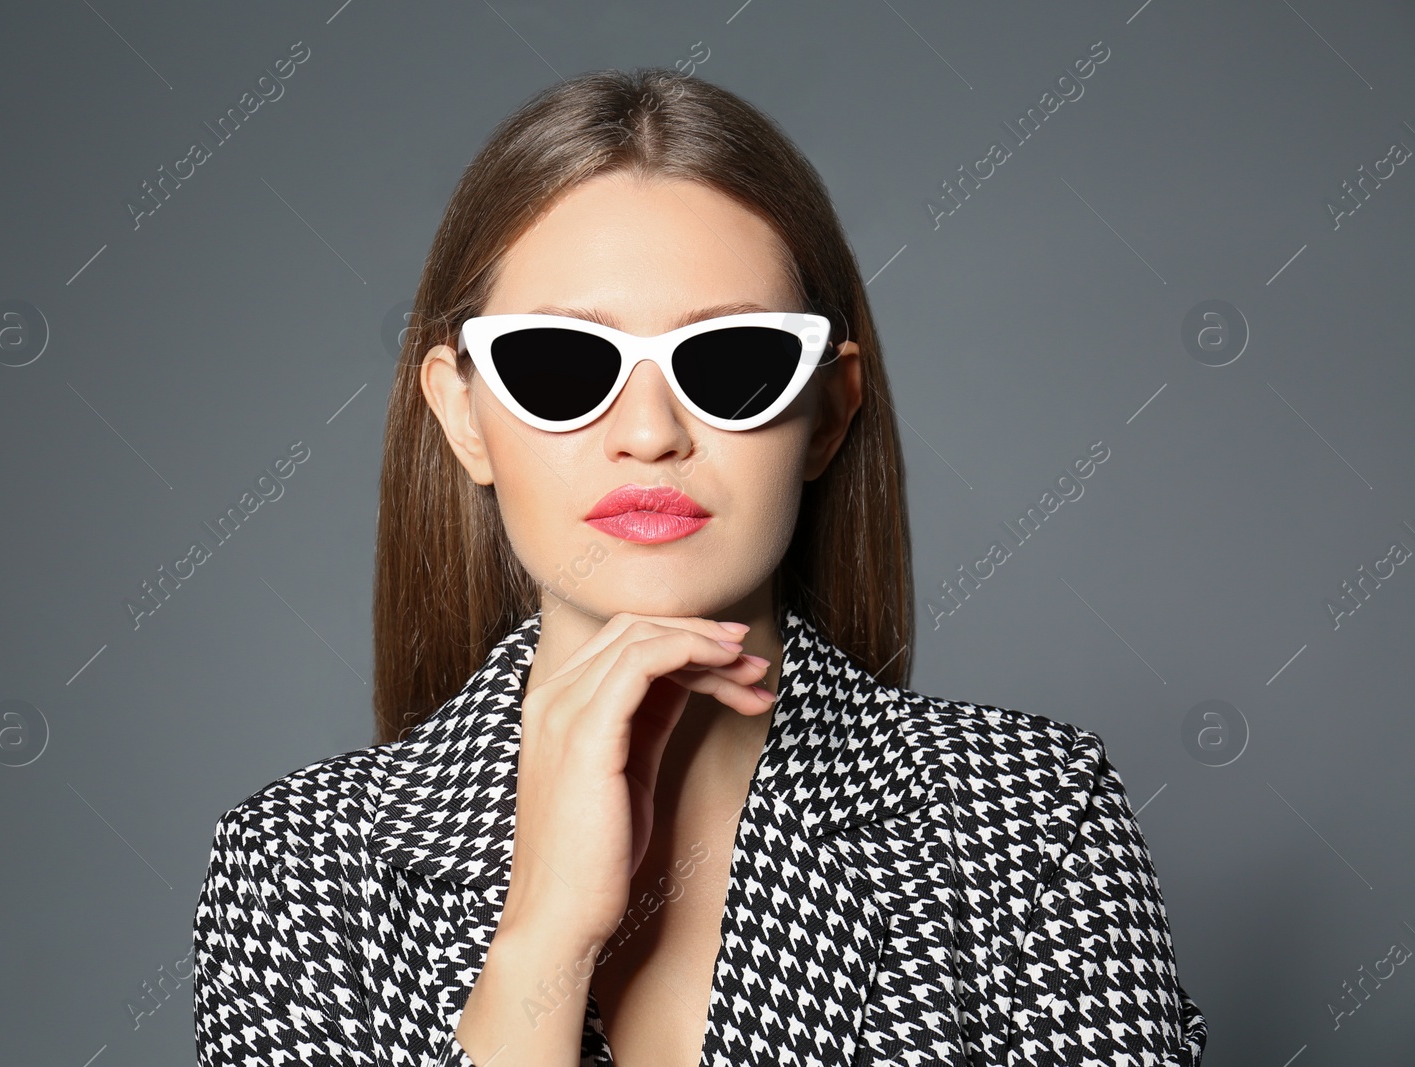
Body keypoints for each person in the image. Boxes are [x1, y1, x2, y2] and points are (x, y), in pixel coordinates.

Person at [193, 66, 1207, 1066]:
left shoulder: (1028, 823)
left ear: (827, 412)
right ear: (462, 413)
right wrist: (539, 943)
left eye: (730, 361)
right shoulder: (297, 872)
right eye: (558, 362)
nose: (648, 432)